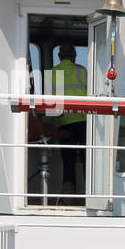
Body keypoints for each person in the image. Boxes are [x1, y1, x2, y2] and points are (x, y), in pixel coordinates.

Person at [51, 44, 87, 201]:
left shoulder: (53, 72)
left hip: (64, 122)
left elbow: (51, 105)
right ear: (74, 56)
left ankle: (68, 201)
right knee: (88, 161)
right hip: (84, 120)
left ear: (59, 56)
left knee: (68, 164)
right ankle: (92, 198)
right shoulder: (82, 71)